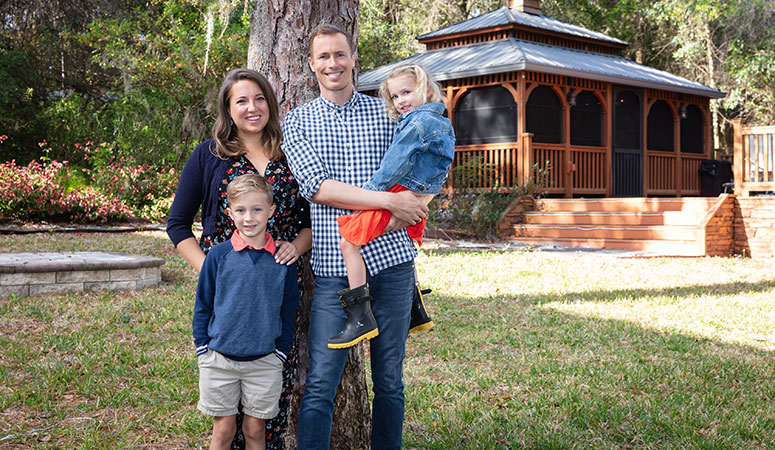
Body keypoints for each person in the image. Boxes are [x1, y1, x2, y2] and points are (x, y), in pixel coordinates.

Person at [281, 23, 429, 450]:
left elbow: (421, 168)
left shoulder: (387, 112)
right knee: (320, 385)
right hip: (334, 270)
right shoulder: (298, 121)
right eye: (323, 56)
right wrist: (388, 202)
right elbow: (318, 187)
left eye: (339, 54)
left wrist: (406, 207)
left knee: (390, 382)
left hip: (393, 263)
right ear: (312, 65)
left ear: (352, 59)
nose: (333, 63)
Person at [167, 68, 312, 449]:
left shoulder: (292, 153)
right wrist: (211, 270)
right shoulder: (210, 156)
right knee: (226, 415)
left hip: (277, 288)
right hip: (227, 293)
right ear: (228, 109)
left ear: (271, 103)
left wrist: (297, 247)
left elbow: (315, 219)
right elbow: (177, 224)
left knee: (264, 412)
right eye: (242, 101)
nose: (252, 107)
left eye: (260, 98)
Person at [328, 64, 455, 349]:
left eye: (407, 92)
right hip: (418, 196)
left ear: (426, 90)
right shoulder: (440, 121)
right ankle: (416, 309)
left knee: (348, 241)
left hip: (399, 192)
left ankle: (360, 318)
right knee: (407, 242)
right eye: (395, 96)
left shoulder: (418, 124)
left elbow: (393, 164)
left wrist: (367, 196)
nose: (400, 101)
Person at [193, 174, 300, 450]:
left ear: (271, 211)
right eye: (240, 210)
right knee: (223, 429)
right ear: (230, 213)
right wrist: (203, 348)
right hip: (219, 360)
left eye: (257, 210)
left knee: (254, 429)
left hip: (264, 362)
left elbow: (289, 310)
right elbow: (203, 304)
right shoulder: (217, 256)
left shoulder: (282, 260)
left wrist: (280, 352)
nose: (249, 218)